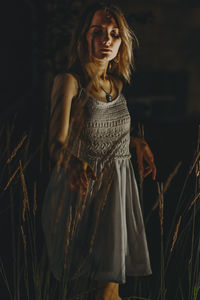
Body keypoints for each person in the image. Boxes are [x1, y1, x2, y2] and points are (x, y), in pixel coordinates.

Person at [42, 3, 156, 300]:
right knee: (86, 291)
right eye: (98, 32)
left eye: (114, 33)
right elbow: (55, 143)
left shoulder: (116, 84)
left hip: (116, 193)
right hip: (81, 191)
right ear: (84, 37)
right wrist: (72, 162)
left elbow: (106, 128)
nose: (107, 39)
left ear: (122, 42)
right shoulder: (69, 82)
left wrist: (135, 142)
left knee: (109, 290)